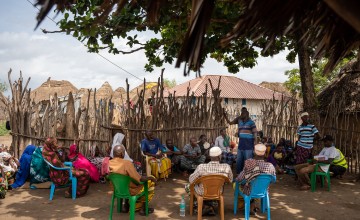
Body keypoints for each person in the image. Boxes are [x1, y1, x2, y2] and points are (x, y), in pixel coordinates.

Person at [109, 145, 156, 215]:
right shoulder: (127, 163)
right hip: (129, 191)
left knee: (126, 181)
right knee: (149, 183)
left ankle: (126, 206)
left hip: (116, 189)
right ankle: (143, 209)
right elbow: (139, 179)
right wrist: (151, 178)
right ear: (122, 153)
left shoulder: (108, 163)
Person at [186, 146, 233, 216]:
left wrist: (198, 180)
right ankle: (210, 205)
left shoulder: (201, 167)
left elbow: (191, 180)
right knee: (215, 187)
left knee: (187, 186)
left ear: (210, 156)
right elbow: (230, 180)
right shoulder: (226, 167)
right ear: (220, 156)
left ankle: (204, 205)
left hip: (202, 192)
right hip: (218, 192)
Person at [236, 144, 276, 214]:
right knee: (255, 185)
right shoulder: (270, 166)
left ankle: (248, 204)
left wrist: (236, 179)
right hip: (264, 191)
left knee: (236, 185)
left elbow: (240, 178)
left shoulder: (249, 163)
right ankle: (253, 204)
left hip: (249, 191)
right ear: (265, 153)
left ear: (254, 152)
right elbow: (273, 179)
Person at [224, 108, 257, 174]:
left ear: (247, 114)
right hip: (241, 144)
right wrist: (225, 115)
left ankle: (248, 174)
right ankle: (239, 174)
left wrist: (255, 145)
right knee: (239, 160)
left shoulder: (251, 122)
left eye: (243, 113)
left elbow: (255, 133)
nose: (241, 114)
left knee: (248, 160)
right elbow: (230, 122)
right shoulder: (239, 120)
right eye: (241, 112)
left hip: (249, 144)